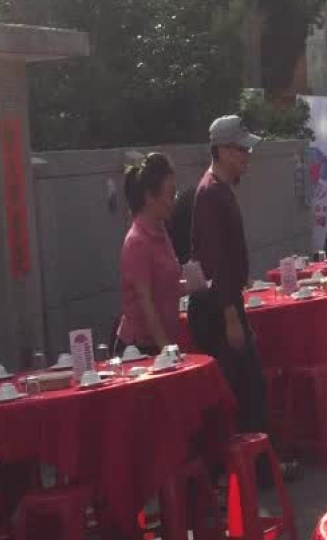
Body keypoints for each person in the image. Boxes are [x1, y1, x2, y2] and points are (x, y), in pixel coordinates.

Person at [188, 115, 267, 433]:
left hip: (227, 304)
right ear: (222, 151)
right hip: (219, 311)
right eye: (241, 149)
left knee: (250, 391)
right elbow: (215, 259)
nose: (247, 156)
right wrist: (231, 316)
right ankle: (241, 457)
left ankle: (254, 456)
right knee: (238, 395)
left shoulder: (219, 190)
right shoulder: (210, 193)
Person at [115, 153, 182, 356]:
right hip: (139, 349)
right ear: (149, 197)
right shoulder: (137, 242)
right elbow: (147, 306)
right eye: (170, 194)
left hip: (162, 343)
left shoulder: (161, 232)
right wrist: (168, 352)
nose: (174, 201)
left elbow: (167, 286)